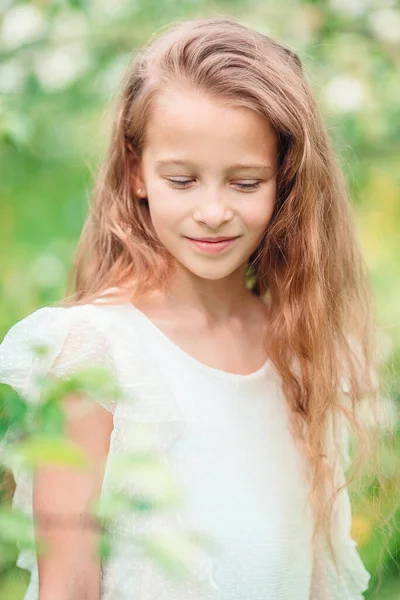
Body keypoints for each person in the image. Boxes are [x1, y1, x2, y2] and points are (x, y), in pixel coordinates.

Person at [0, 16, 379, 600]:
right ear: (137, 172)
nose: (212, 211)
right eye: (182, 180)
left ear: (286, 179)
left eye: (246, 183)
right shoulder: (93, 354)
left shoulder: (300, 345)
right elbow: (69, 585)